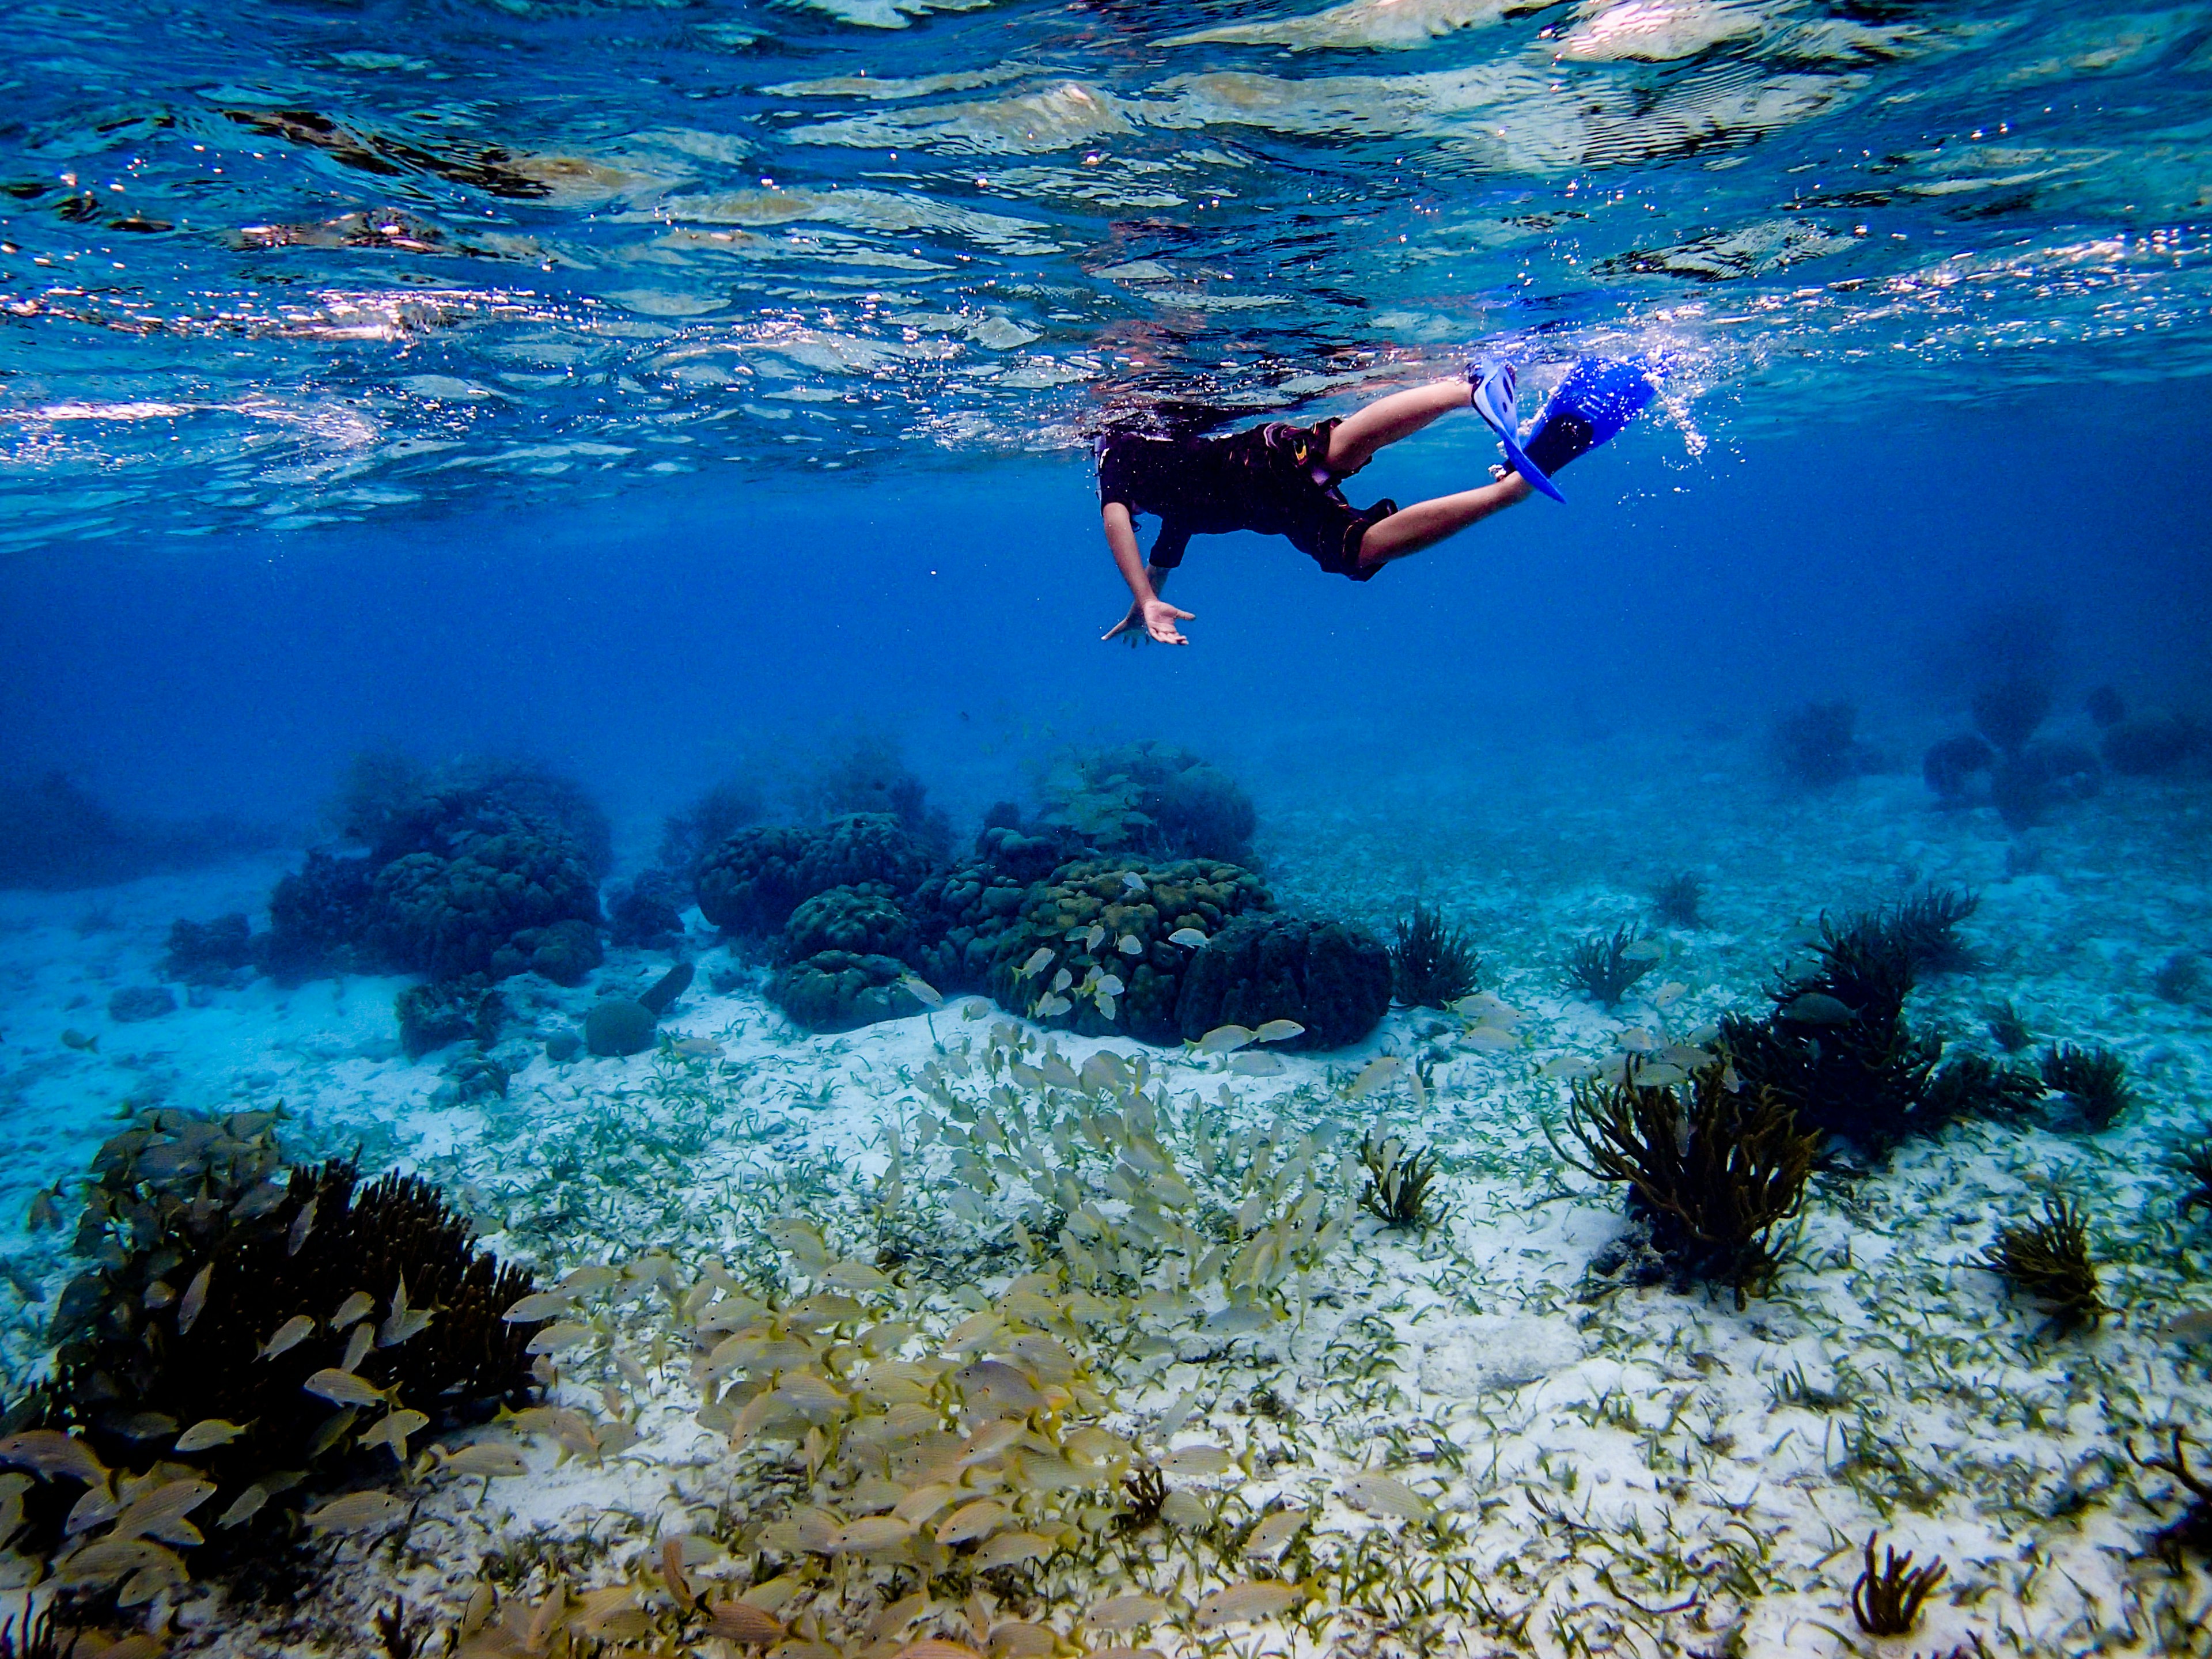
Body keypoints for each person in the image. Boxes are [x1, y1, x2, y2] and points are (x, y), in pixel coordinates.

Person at [1098, 356, 1658, 645]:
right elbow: (1163, 553)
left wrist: (1144, 599)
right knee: (1342, 496)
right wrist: (1145, 600)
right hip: (1270, 492)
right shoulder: (1173, 505)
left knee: (1344, 499)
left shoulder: (1115, 455)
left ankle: (1494, 458)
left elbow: (1115, 520)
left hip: (1252, 470)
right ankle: (1481, 413)